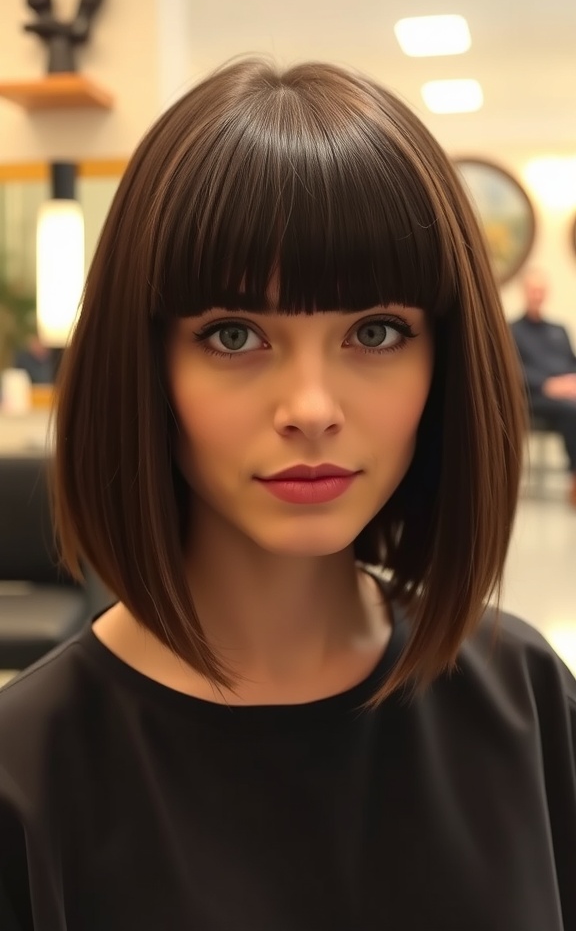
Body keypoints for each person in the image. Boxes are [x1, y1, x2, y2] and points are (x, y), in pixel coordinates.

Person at [0, 59, 574, 931]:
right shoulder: (28, 774)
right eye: (234, 336)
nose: (311, 409)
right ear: (147, 363)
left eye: (376, 332)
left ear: (442, 360)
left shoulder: (525, 699)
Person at [510, 268, 576, 506]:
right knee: (572, 411)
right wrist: (548, 385)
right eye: (532, 290)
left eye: (541, 291)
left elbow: (571, 363)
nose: (537, 295)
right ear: (525, 293)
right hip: (533, 398)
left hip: (568, 395)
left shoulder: (559, 330)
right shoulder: (512, 331)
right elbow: (512, 372)